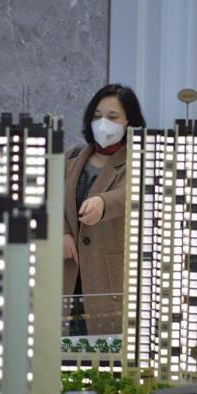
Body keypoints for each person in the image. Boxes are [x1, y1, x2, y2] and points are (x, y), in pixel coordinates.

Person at [63, 84, 146, 335]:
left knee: (104, 346)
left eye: (112, 117)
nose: (103, 124)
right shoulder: (73, 156)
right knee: (65, 346)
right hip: (68, 274)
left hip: (108, 276)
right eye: (97, 116)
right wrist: (62, 231)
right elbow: (50, 198)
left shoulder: (140, 159)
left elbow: (131, 192)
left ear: (129, 121)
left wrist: (103, 202)